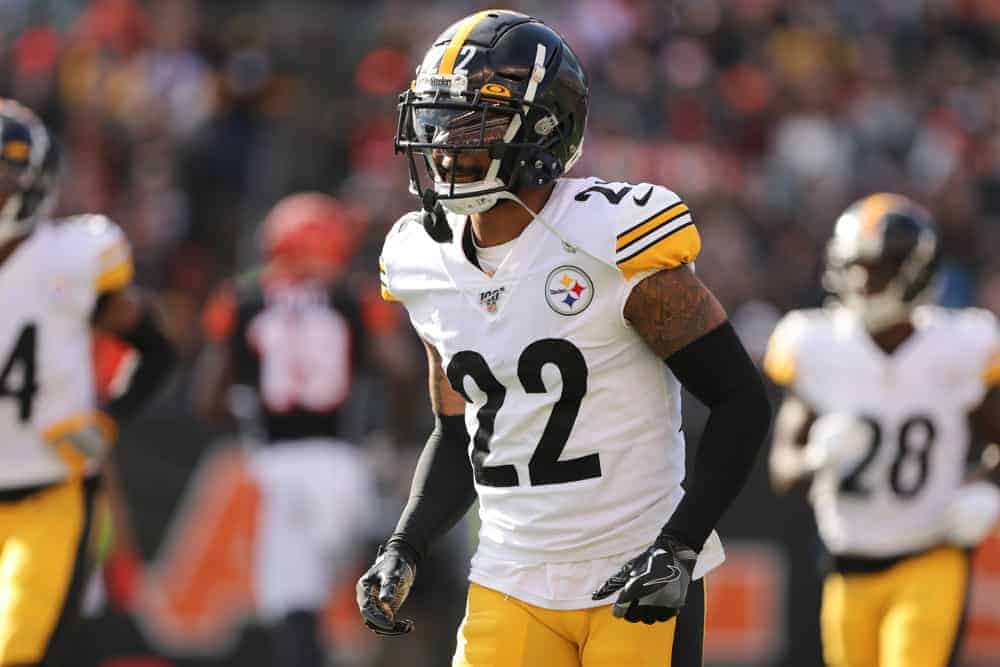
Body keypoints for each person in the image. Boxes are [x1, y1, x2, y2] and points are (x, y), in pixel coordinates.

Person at [356, 11, 772, 666]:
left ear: (545, 126)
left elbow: (740, 400)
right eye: (438, 116)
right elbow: (459, 432)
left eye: (477, 118)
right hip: (509, 576)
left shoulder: (609, 238)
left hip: (633, 571)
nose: (442, 141)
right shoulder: (419, 259)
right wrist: (404, 544)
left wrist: (680, 547)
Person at [764, 193, 1000, 667]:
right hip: (846, 568)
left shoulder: (961, 344)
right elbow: (781, 468)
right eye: (852, 266)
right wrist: (814, 459)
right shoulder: (817, 344)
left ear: (913, 271)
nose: (859, 281)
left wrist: (989, 487)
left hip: (930, 554)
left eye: (875, 267)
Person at [0, 99, 175, 666]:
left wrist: (110, 420)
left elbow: (157, 350)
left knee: (13, 649)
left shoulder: (73, 259)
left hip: (46, 495)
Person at [195, 192, 380, 667]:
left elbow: (208, 399)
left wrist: (244, 398)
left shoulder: (242, 298)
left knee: (293, 602)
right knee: (367, 592)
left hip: (277, 466)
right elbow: (398, 371)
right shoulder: (352, 298)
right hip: (344, 466)